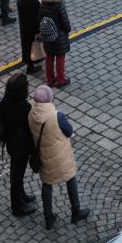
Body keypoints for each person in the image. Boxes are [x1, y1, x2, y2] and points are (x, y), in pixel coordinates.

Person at [28, 84, 90, 230]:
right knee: (70, 178)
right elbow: (69, 131)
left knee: (47, 184)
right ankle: (76, 211)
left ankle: (48, 217)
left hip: (44, 156)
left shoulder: (31, 114)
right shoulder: (57, 116)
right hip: (61, 156)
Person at [0, 72, 38, 217]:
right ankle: (17, 207)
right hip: (21, 147)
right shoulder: (25, 107)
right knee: (17, 176)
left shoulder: (4, 102)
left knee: (15, 173)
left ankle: (22, 196)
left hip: (11, 143)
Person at [40, 0, 71, 87]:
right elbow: (65, 23)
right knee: (60, 58)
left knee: (49, 57)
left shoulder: (43, 4)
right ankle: (61, 80)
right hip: (59, 38)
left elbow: (39, 19)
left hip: (47, 36)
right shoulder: (59, 6)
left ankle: (50, 79)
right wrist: (67, 30)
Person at [17, 0, 44, 74]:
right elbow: (36, 17)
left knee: (27, 45)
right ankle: (30, 66)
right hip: (32, 28)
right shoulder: (33, 1)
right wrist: (38, 30)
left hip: (24, 26)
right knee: (32, 46)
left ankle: (30, 61)